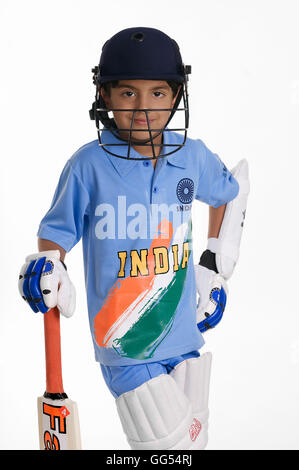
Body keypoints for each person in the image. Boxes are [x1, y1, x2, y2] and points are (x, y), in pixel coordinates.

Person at [18, 27, 249, 450]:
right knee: (168, 447)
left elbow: (230, 193)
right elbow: (55, 235)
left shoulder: (191, 155)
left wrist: (214, 266)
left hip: (183, 335)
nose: (143, 108)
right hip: (125, 343)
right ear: (104, 96)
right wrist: (51, 269)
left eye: (158, 93)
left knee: (195, 443)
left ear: (177, 95)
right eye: (128, 94)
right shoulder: (87, 165)